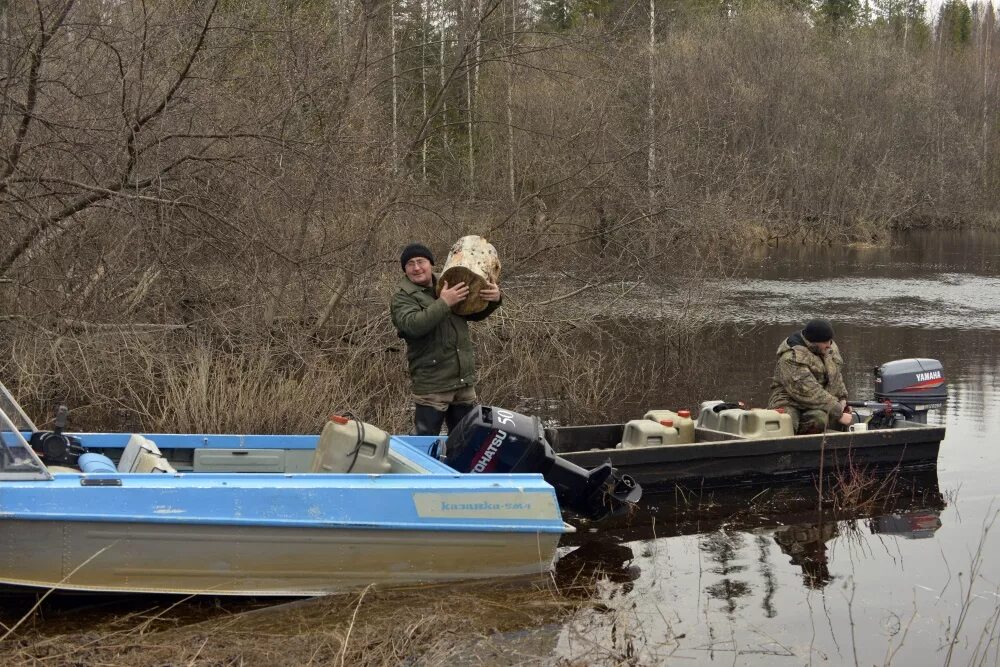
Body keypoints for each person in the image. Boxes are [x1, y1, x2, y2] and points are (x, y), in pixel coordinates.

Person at [390, 242, 502, 435]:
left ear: (430, 264)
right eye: (410, 264)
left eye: (421, 261)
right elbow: (413, 326)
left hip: (462, 380)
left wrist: (494, 300)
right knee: (426, 443)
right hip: (432, 384)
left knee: (464, 442)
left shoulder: (449, 282)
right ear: (405, 270)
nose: (416, 268)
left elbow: (472, 314)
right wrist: (444, 302)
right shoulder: (402, 298)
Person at [767, 318, 852, 435]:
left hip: (822, 399)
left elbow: (835, 374)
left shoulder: (828, 346)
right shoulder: (791, 357)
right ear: (813, 341)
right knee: (791, 421)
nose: (829, 345)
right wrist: (837, 411)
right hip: (789, 400)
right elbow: (808, 391)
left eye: (830, 340)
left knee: (831, 418)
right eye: (825, 342)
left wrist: (842, 399)